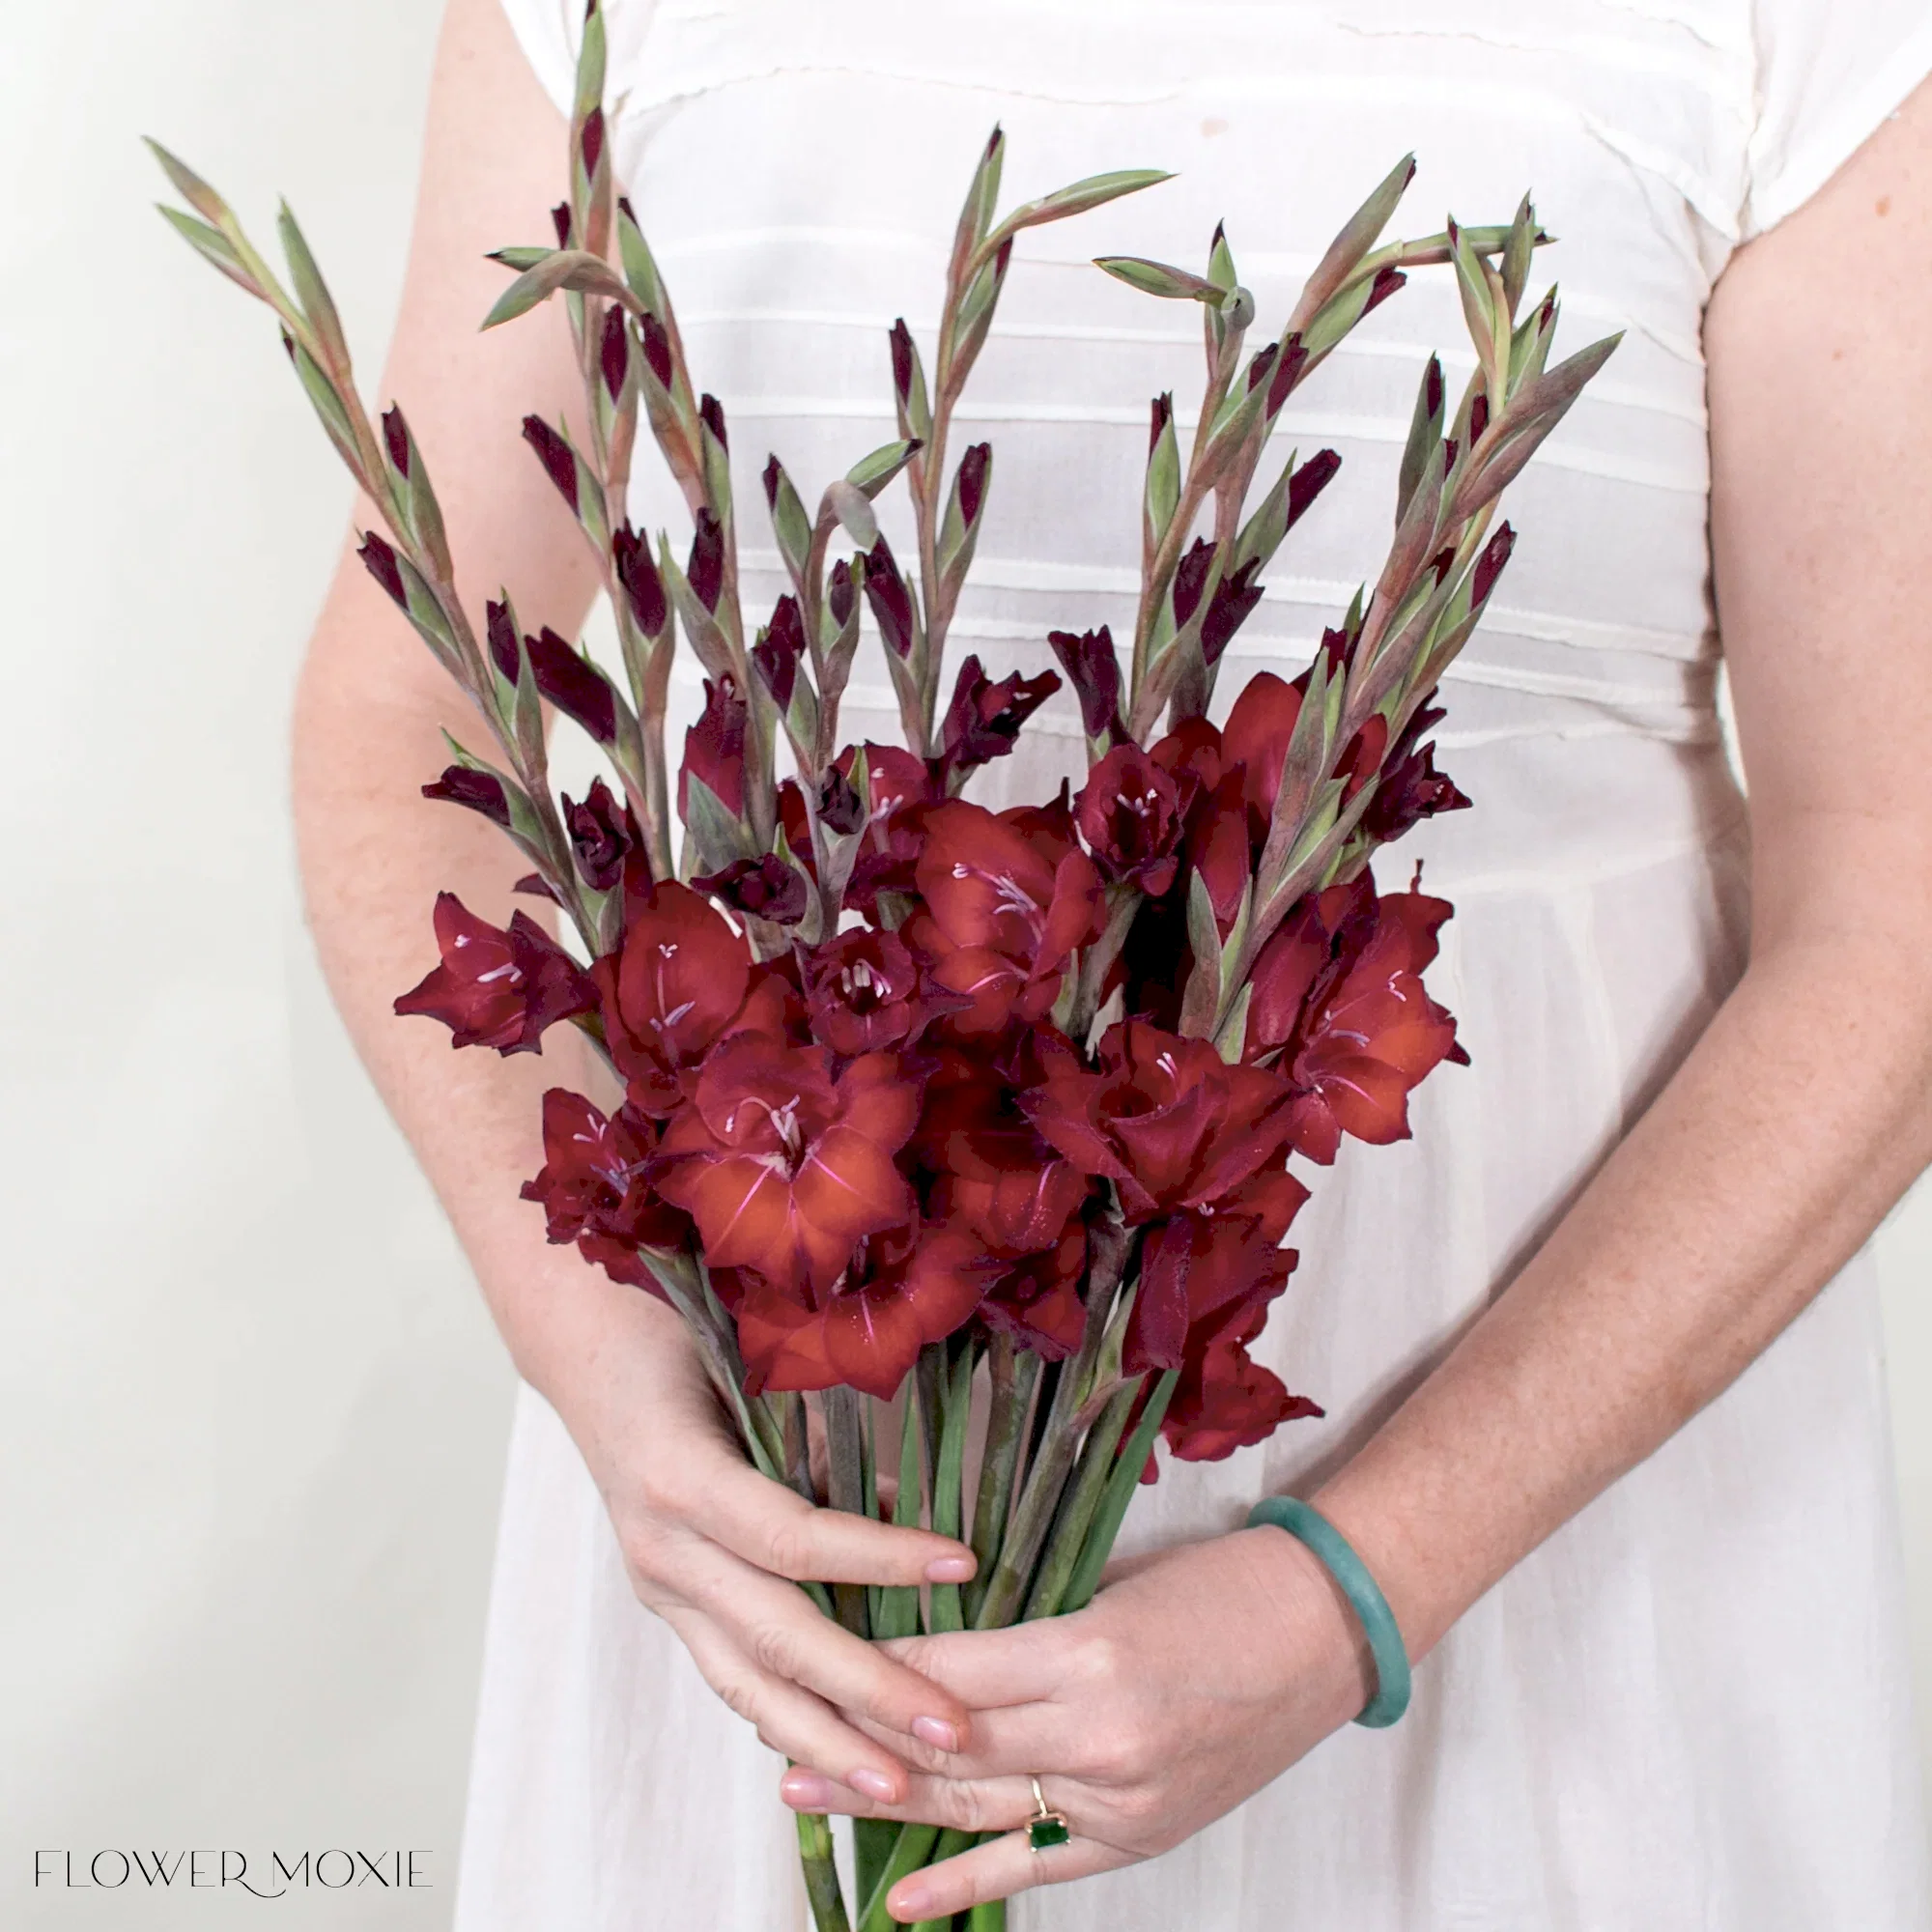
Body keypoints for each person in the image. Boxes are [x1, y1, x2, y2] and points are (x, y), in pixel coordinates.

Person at [291, 0, 1932, 1923]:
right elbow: (405, 727)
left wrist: (1359, 1582)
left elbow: (1889, 894)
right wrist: (620, 1377)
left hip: (1549, 1545)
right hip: (811, 1523)